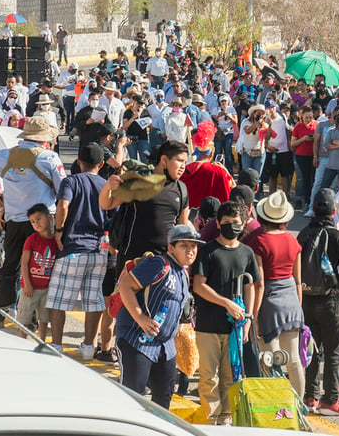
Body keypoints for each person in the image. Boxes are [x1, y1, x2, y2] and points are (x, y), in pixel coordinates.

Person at [0, 117, 65, 327]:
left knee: (10, 268)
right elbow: (63, 191)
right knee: (42, 269)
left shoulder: (3, 156)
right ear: (44, 140)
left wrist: (0, 206)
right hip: (44, 224)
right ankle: (34, 321)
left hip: (15, 221)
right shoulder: (50, 158)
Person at [115, 224, 202, 408]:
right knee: (133, 397)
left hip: (165, 346)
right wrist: (140, 317)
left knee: (163, 398)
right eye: (184, 246)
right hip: (137, 341)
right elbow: (125, 285)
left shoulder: (184, 273)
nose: (190, 251)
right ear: (171, 247)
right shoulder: (158, 264)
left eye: (193, 246)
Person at [192, 201, 261, 425]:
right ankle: (211, 421)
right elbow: (199, 285)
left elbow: (252, 287)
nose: (232, 226)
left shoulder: (247, 252)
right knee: (208, 377)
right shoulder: (207, 250)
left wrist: (249, 321)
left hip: (236, 327)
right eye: (227, 222)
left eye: (236, 223)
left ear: (243, 224)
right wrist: (226, 304)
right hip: (208, 325)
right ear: (218, 224)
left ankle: (226, 420)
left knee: (231, 376)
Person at [47, 143, 108, 358]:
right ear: (101, 164)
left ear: (79, 162)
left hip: (73, 247)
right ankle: (88, 347)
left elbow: (63, 205)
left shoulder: (71, 181)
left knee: (58, 299)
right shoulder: (106, 184)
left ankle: (56, 345)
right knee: (93, 301)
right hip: (99, 249)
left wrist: (59, 230)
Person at [297, 189, 339, 416]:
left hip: (307, 299)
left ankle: (310, 396)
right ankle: (331, 399)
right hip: (331, 300)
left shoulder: (303, 234)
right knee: (332, 351)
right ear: (333, 210)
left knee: (310, 349)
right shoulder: (337, 236)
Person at [248, 190, 306, 400]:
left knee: (270, 358)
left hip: (269, 302)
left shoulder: (258, 242)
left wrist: (253, 316)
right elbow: (298, 280)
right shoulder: (293, 240)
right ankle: (299, 405)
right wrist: (298, 305)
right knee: (293, 359)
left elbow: (260, 283)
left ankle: (276, 405)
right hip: (291, 300)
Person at [99, 140, 190, 273]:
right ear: (164, 159)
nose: (183, 166)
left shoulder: (181, 189)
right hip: (133, 262)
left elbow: (182, 228)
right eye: (179, 161)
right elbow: (107, 204)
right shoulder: (139, 180)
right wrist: (108, 187)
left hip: (165, 265)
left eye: (185, 162)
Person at [16, 203, 58, 340]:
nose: (36, 223)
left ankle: (42, 341)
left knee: (44, 318)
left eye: (39, 219)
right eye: (33, 221)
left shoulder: (56, 240)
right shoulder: (31, 240)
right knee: (24, 317)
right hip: (31, 287)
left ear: (50, 217)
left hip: (47, 288)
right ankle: (21, 339)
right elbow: (25, 262)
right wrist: (27, 283)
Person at [181, 121, 235, 208]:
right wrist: (226, 173)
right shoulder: (219, 171)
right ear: (212, 152)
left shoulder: (184, 170)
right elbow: (230, 193)